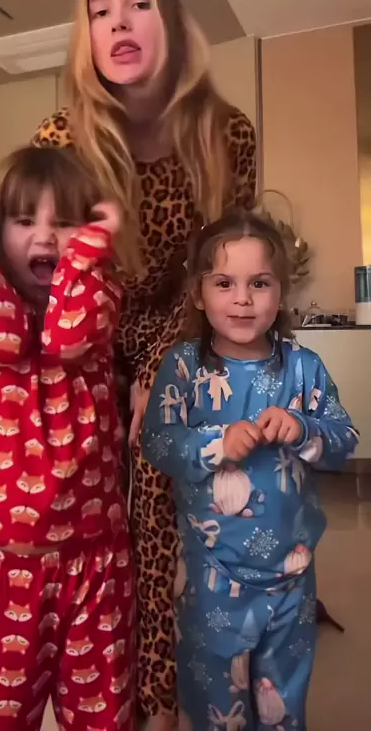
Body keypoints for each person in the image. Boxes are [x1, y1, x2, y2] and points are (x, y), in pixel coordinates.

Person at [33, 0, 257, 728]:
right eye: (100, 11)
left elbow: (225, 270)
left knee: (164, 468)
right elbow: (44, 279)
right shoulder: (62, 140)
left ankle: (159, 698)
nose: (119, 23)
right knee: (86, 513)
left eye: (138, 3)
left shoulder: (226, 134)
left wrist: (164, 365)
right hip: (84, 340)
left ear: (171, 19)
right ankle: (102, 690)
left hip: (183, 335)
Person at [0, 146, 135, 731]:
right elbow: (3, 338)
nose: (45, 236)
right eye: (24, 221)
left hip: (93, 563)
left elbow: (67, 335)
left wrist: (91, 250)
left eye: (65, 222)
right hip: (0, 567)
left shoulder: (98, 297)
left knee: (103, 719)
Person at [142, 210, 358, 730]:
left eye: (259, 283)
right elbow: (158, 443)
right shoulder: (182, 367)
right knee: (215, 702)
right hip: (211, 576)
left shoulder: (303, 367)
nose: (242, 299)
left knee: (282, 700)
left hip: (292, 576)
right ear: (199, 293)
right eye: (224, 283)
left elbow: (344, 440)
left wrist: (302, 427)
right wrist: (216, 443)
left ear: (280, 291)